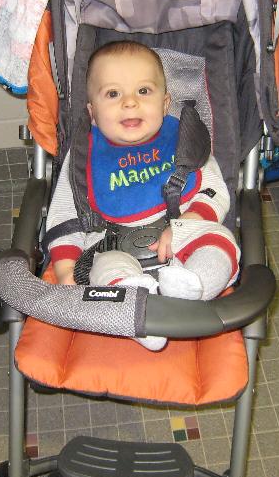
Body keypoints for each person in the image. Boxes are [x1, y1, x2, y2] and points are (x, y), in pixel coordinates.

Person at [45, 41, 240, 350]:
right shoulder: (86, 154)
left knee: (221, 242)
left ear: (165, 104)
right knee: (102, 269)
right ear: (92, 112)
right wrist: (66, 267)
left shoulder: (182, 139)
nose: (130, 103)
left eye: (144, 91)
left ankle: (192, 288)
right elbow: (65, 215)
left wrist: (189, 222)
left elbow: (214, 188)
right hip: (111, 245)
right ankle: (140, 317)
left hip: (182, 242)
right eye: (113, 94)